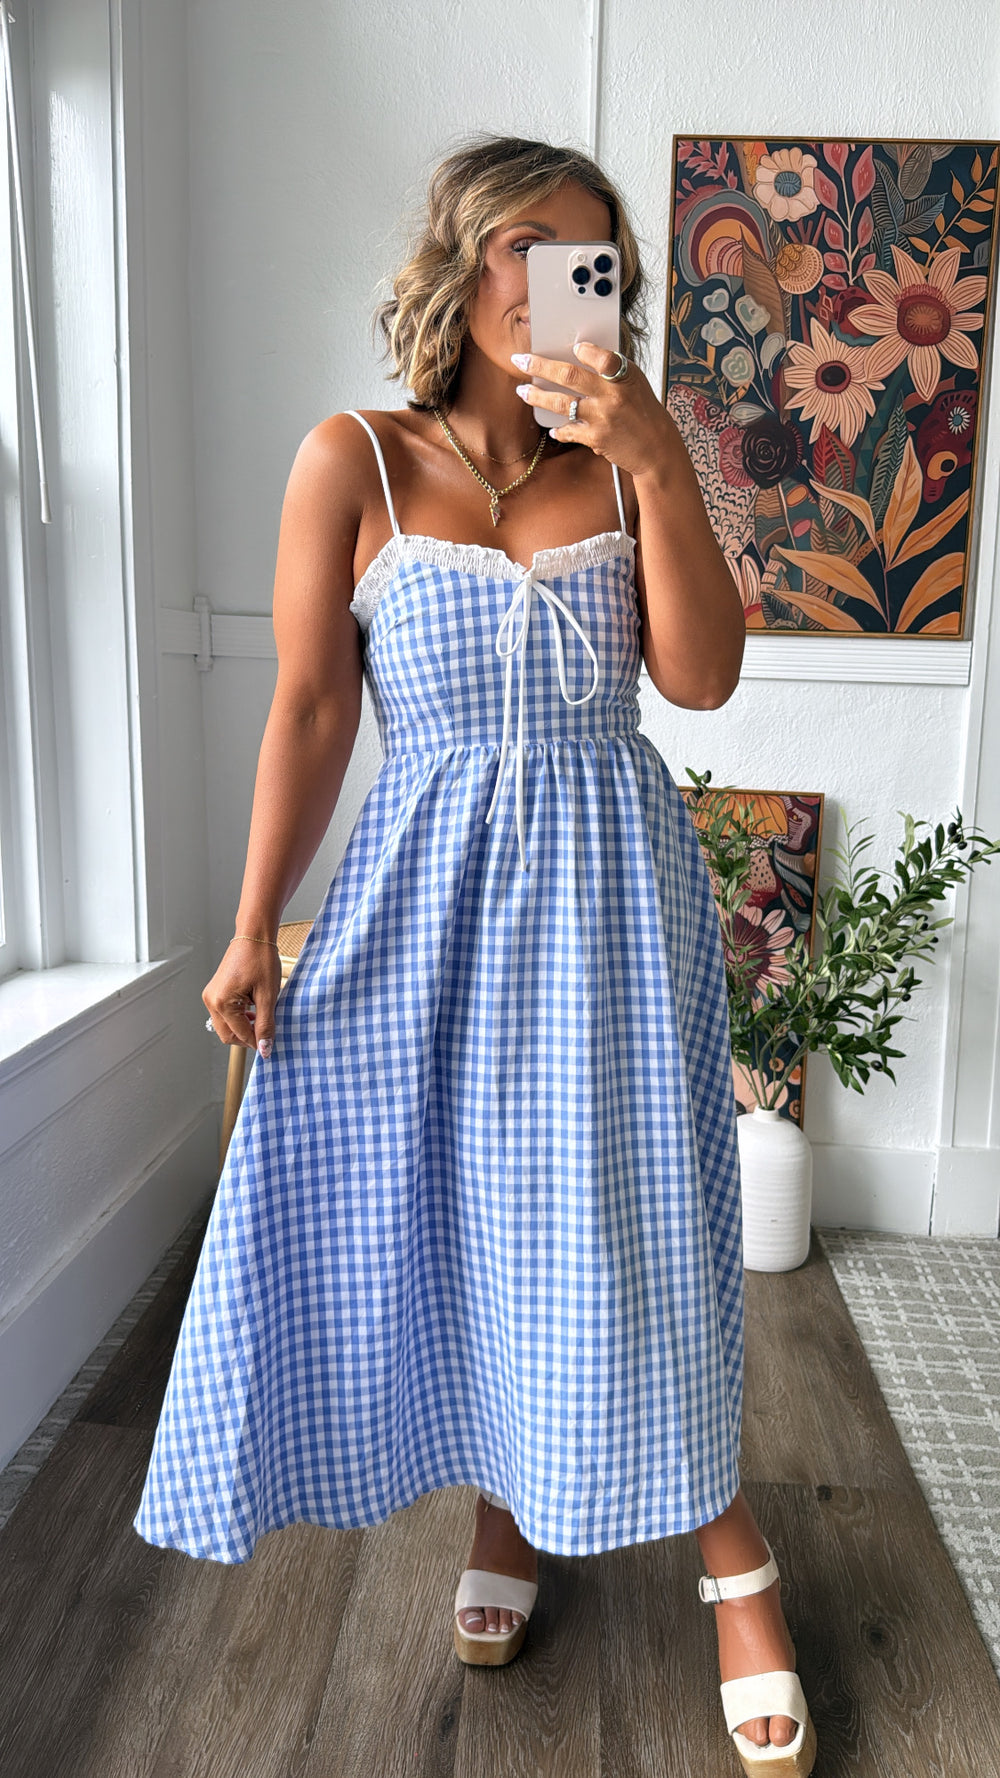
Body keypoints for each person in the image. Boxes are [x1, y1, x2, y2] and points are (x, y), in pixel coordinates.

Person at [133, 135, 816, 1776]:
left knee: (630, 1230)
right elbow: (313, 709)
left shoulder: (626, 465)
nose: (561, 281)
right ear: (460, 256)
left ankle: (738, 1563)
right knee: (460, 1220)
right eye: (530, 244)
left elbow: (701, 682)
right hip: (422, 915)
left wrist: (659, 462)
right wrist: (251, 923)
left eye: (596, 260)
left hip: (610, 912)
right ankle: (509, 1508)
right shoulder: (355, 462)